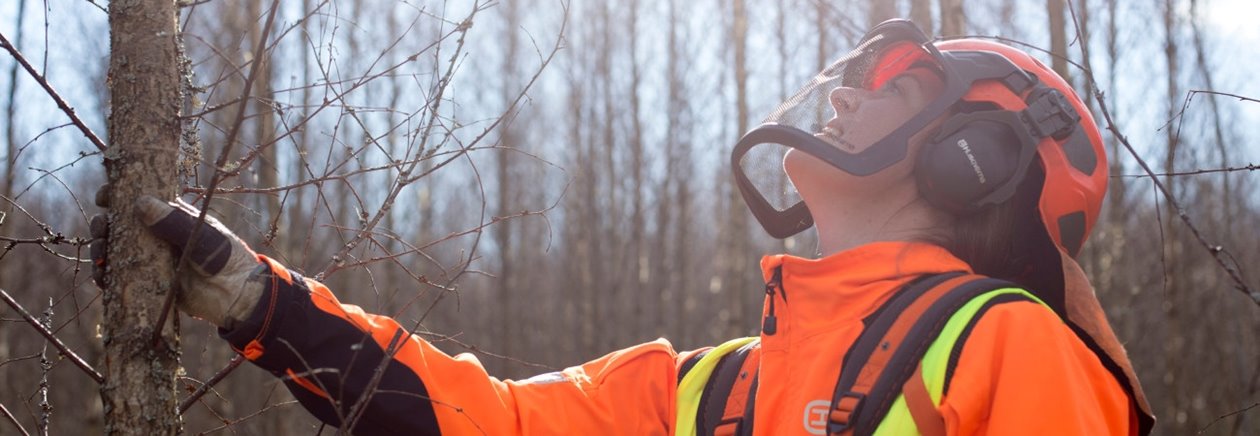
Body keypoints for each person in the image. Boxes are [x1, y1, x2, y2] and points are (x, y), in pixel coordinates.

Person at [92, 19, 1153, 435]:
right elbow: (489, 423)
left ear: (982, 157)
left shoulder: (1011, 345)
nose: (843, 93)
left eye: (898, 81)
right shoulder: (722, 387)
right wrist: (257, 301)